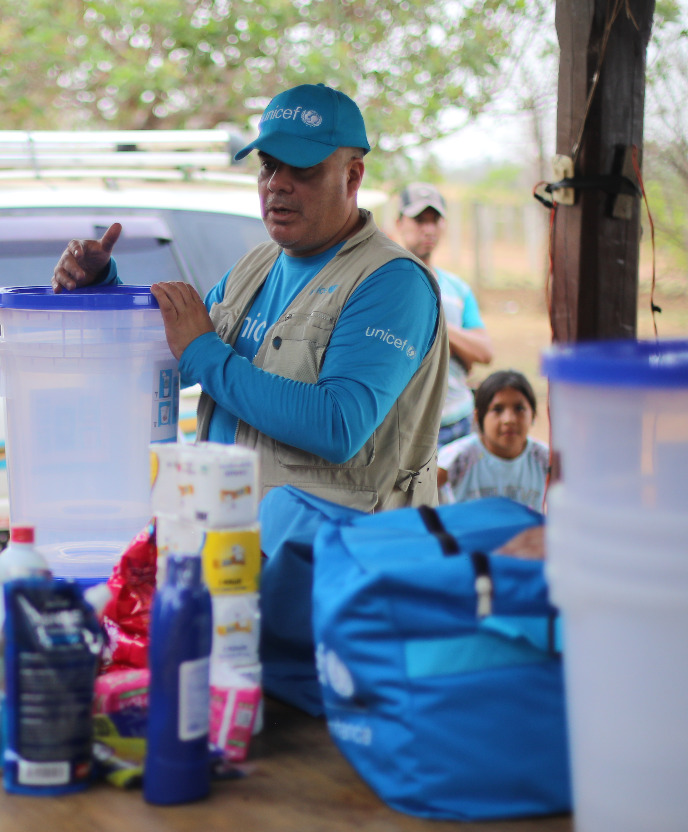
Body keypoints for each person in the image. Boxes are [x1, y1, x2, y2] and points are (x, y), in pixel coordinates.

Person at [51, 83, 448, 511]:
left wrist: (205, 354)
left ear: (352, 175)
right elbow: (173, 362)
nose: (278, 184)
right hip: (232, 549)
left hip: (336, 564)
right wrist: (101, 292)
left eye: (303, 169)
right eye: (268, 165)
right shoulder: (253, 266)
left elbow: (339, 426)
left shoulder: (392, 281)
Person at [392, 182, 494, 446]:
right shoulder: (384, 283)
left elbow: (484, 352)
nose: (428, 228)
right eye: (419, 220)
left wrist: (438, 324)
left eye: (435, 220)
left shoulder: (457, 289)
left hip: (459, 422)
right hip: (407, 428)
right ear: (399, 222)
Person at [437, 370, 549, 512]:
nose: (509, 420)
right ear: (478, 417)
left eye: (519, 409)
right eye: (497, 409)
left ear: (533, 414)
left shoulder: (545, 460)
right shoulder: (457, 458)